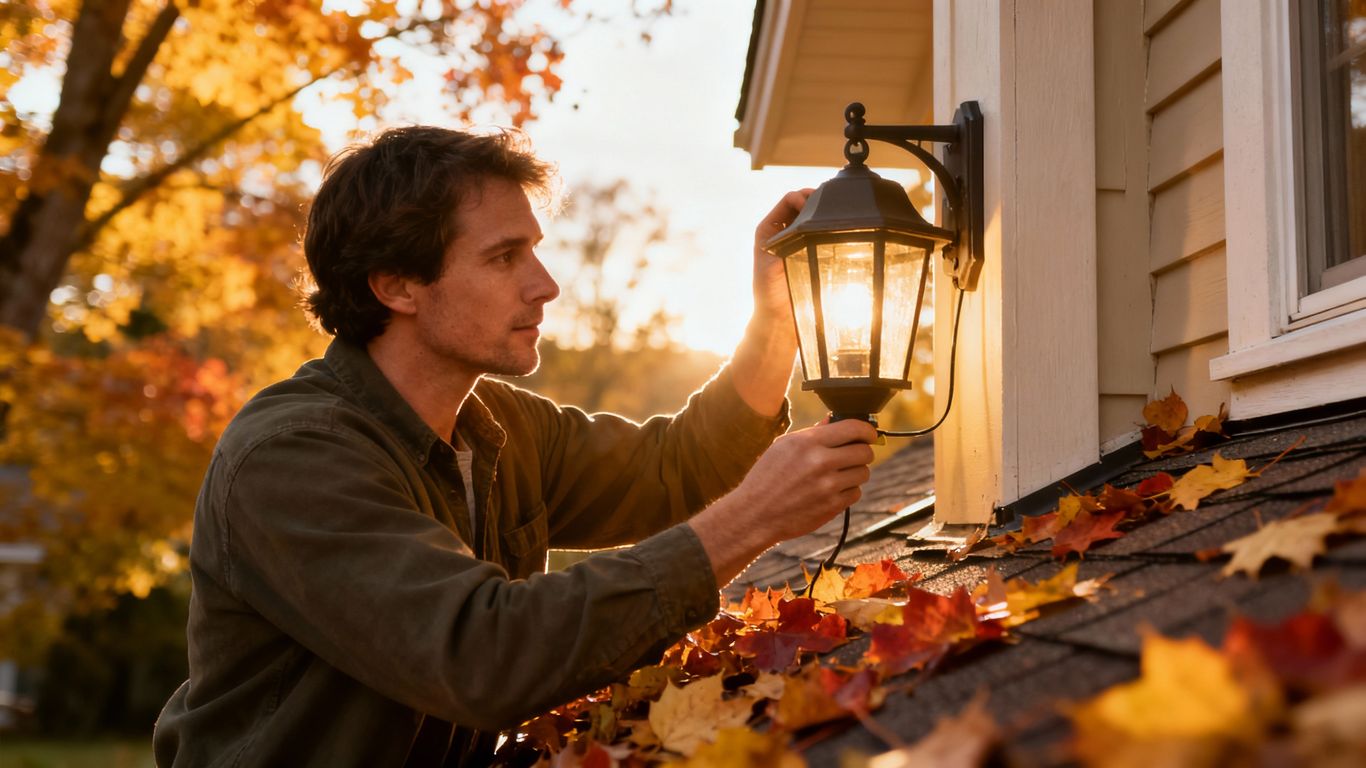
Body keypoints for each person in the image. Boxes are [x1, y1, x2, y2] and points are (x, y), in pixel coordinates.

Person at [153, 126, 877, 767]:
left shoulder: (491, 423)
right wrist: (751, 519)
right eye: (505, 258)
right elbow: (482, 656)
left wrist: (776, 318)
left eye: (535, 249)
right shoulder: (293, 459)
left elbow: (673, 469)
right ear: (397, 285)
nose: (547, 284)